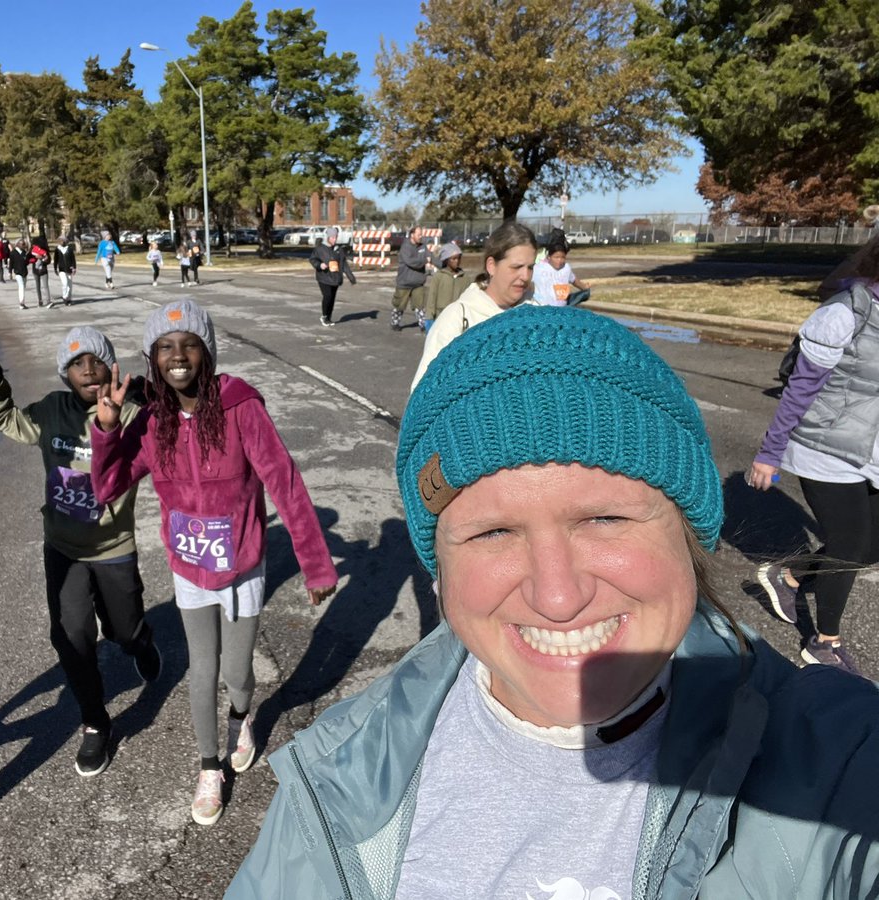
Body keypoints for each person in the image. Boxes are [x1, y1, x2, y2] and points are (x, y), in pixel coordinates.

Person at [227, 304, 879, 899]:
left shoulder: (841, 759)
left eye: (604, 520)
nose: (558, 596)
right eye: (493, 532)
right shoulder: (345, 772)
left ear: (687, 532)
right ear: (441, 568)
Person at [90, 298, 338, 827]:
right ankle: (208, 767)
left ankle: (241, 718)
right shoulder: (151, 420)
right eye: (165, 347)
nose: (178, 356)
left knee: (237, 671)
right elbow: (108, 486)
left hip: (243, 567)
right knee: (202, 670)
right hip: (189, 570)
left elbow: (284, 482)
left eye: (189, 345)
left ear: (207, 351)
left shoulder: (240, 405)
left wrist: (315, 564)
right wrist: (108, 428)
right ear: (153, 358)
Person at [0, 318, 162, 775]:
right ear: (64, 374)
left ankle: (139, 641)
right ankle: (96, 723)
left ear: (112, 367)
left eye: (97, 361)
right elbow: (10, 421)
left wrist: (151, 398)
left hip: (113, 546)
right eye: (77, 364)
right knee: (72, 638)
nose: (89, 370)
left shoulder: (129, 412)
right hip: (64, 548)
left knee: (123, 629)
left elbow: (165, 439)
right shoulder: (52, 409)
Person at [749, 237, 879, 675]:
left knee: (871, 543)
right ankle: (824, 643)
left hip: (870, 449)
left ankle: (790, 576)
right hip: (824, 446)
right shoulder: (846, 312)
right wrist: (770, 452)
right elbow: (800, 388)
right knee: (847, 545)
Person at [411, 222, 536, 389]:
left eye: (530, 267)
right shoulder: (457, 318)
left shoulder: (537, 317)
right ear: (491, 266)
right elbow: (423, 393)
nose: (525, 276)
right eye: (517, 267)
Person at [308, 226, 356, 327]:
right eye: (332, 237)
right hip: (323, 277)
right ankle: (324, 316)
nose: (334, 239)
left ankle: (328, 317)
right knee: (328, 296)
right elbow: (313, 259)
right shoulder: (320, 249)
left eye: (336, 237)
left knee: (332, 298)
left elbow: (344, 264)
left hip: (335, 278)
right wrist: (320, 265)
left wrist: (351, 277)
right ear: (328, 237)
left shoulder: (339, 250)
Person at [390, 225, 433, 331]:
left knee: (420, 306)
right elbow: (411, 262)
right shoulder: (405, 247)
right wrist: (424, 261)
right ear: (412, 235)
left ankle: (423, 325)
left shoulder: (423, 246)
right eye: (419, 234)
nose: (421, 236)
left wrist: (442, 264)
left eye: (421, 234)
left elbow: (430, 257)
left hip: (418, 282)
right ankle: (395, 323)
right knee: (399, 306)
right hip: (404, 283)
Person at [421, 241, 467, 333]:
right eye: (453, 259)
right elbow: (432, 299)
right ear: (446, 260)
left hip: (459, 320)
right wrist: (429, 318)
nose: (456, 261)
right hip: (441, 319)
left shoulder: (465, 278)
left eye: (458, 258)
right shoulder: (439, 277)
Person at [530, 237, 591, 307]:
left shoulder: (566, 268)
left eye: (563, 257)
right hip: (542, 308)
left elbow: (574, 280)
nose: (560, 260)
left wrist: (585, 287)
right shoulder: (539, 268)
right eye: (556, 257)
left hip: (561, 309)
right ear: (549, 257)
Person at [53, 238, 77, 305]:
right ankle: (64, 296)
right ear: (59, 242)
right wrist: (55, 268)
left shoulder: (69, 249)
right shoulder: (57, 249)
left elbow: (73, 259)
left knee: (69, 285)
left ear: (66, 241)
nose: (62, 242)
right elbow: (55, 260)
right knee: (65, 283)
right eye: (61, 241)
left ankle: (68, 299)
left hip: (69, 269)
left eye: (64, 241)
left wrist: (74, 268)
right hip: (61, 269)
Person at [8, 239, 30, 309]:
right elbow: (11, 263)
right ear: (17, 244)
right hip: (17, 272)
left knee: (23, 287)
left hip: (24, 272)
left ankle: (22, 302)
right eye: (22, 244)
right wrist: (10, 272)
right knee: (21, 286)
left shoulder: (24, 252)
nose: (23, 245)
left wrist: (29, 259)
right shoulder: (13, 253)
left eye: (24, 244)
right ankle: (21, 303)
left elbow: (26, 262)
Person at [29, 239, 50, 307]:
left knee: (46, 286)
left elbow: (48, 260)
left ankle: (48, 301)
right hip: (35, 270)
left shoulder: (45, 251)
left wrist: (43, 259)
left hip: (43, 270)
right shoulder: (31, 251)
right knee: (38, 287)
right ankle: (40, 300)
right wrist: (35, 257)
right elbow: (29, 260)